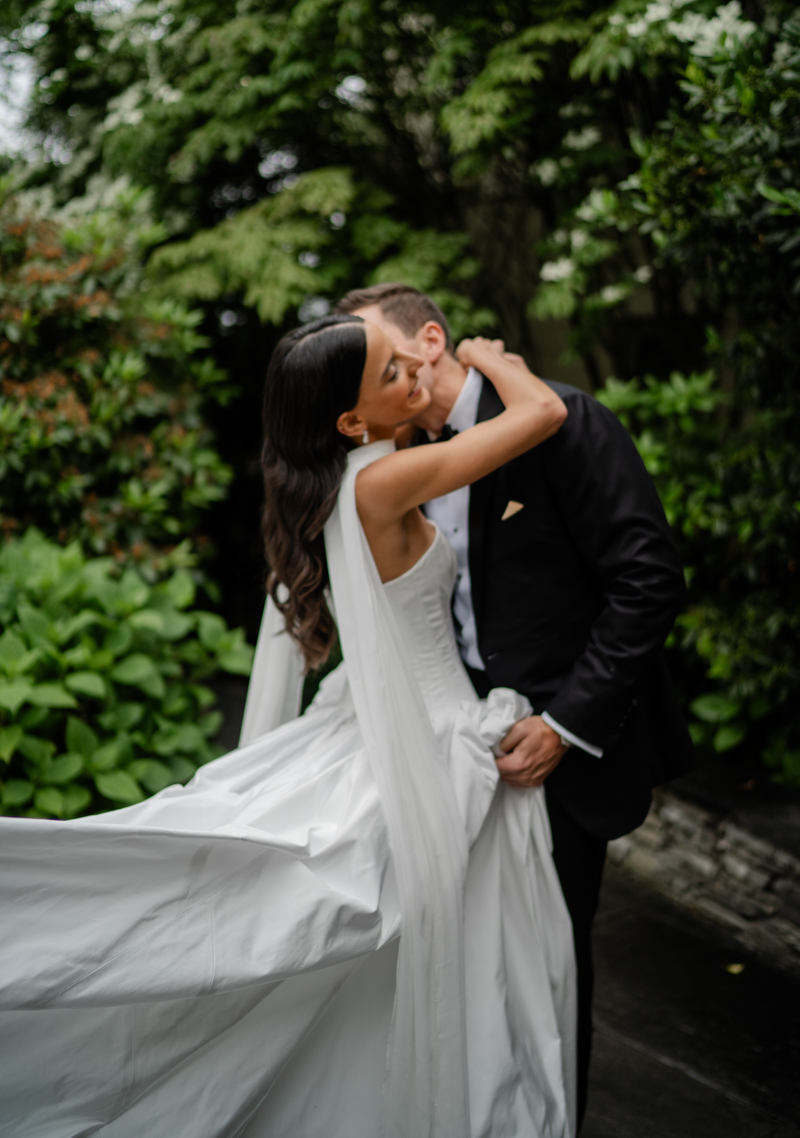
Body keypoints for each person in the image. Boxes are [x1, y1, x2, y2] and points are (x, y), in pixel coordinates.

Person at [0, 315, 578, 1138]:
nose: (418, 361)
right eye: (393, 370)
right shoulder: (379, 484)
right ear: (351, 420)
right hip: (432, 735)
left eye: (408, 353)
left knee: (385, 973)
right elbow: (542, 415)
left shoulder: (344, 479)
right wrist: (490, 357)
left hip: (399, 723)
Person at [336, 283, 696, 1127]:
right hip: (454, 756)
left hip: (554, 756)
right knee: (466, 968)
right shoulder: (390, 456)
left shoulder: (562, 419)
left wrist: (566, 724)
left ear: (431, 340)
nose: (369, 375)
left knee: (553, 973)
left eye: (379, 355)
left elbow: (648, 583)